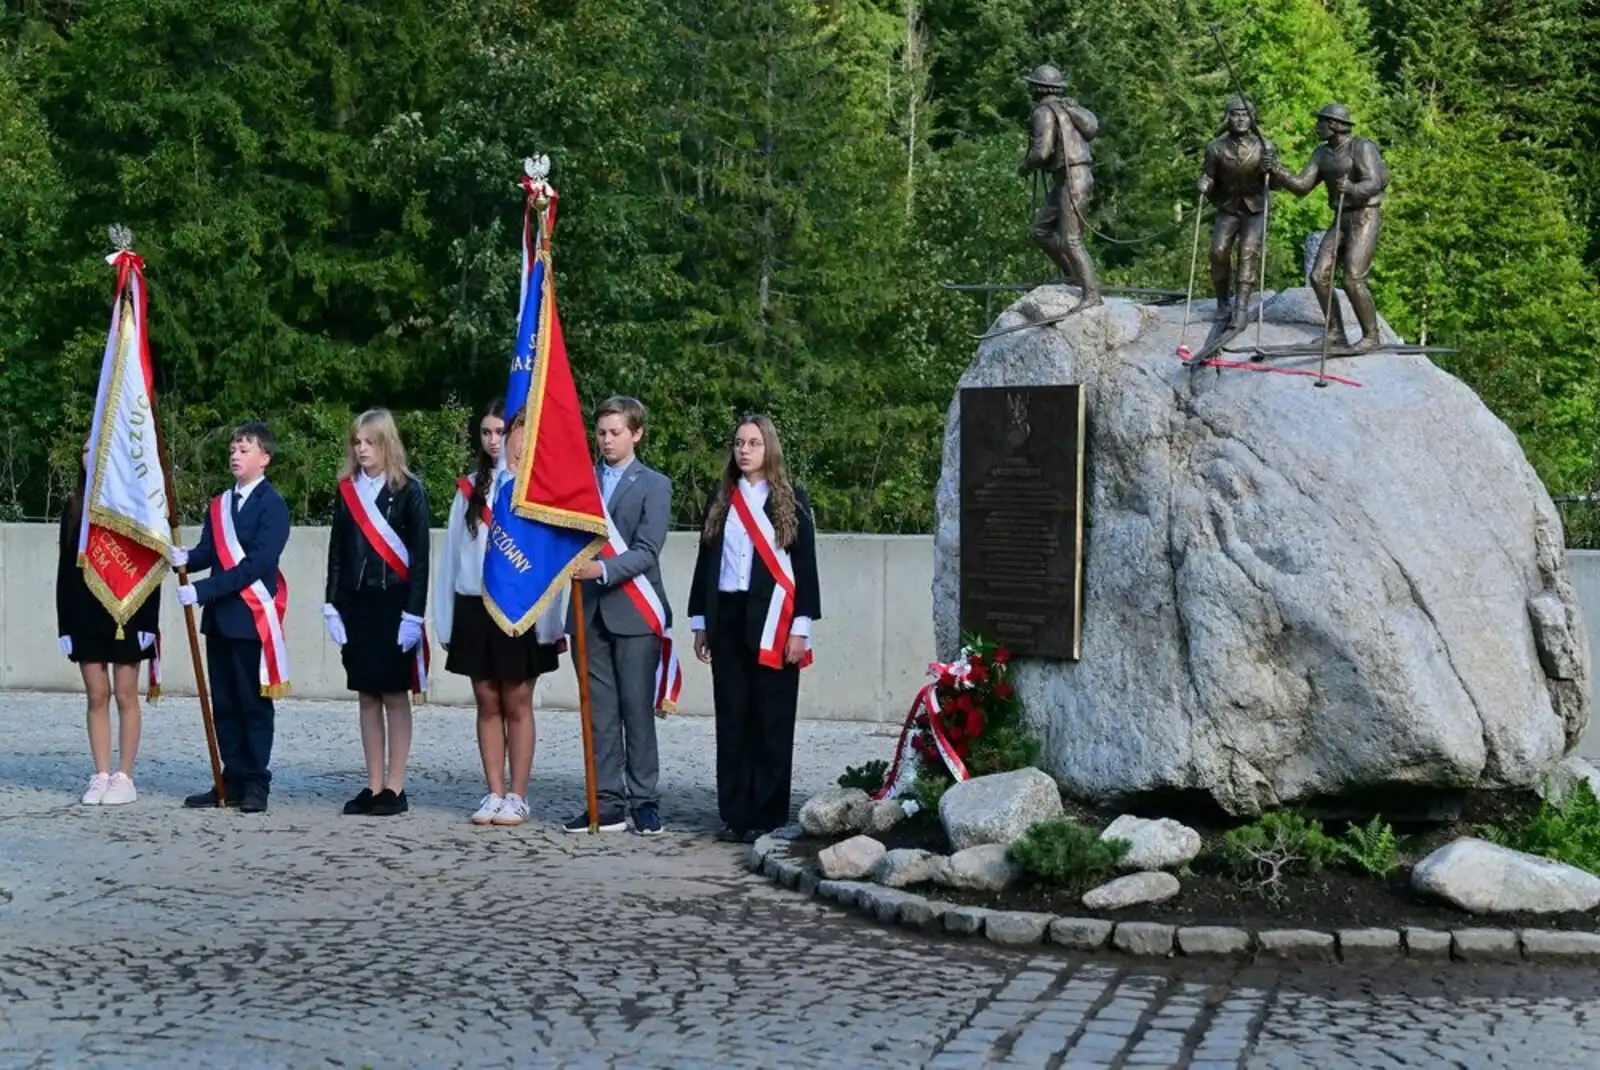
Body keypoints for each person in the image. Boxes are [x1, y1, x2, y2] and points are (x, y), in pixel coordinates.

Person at [688, 414, 821, 843]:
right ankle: (736, 813)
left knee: (772, 716)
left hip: (773, 618)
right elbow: (706, 561)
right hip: (726, 615)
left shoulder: (790, 499)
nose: (744, 450)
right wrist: (700, 621)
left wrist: (801, 629)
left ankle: (767, 813)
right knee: (732, 715)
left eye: (753, 443)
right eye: (739, 443)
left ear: (769, 449)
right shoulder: (721, 498)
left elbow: (805, 567)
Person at [437, 405, 564, 825]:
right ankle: (493, 791)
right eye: (487, 433)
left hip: (520, 606)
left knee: (517, 698)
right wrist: (445, 619)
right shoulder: (469, 490)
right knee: (486, 698)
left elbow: (549, 561)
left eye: (502, 432)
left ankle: (518, 794)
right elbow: (452, 558)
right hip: (475, 604)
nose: (495, 441)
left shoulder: (537, 489)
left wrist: (550, 623)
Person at [566, 396, 675, 836]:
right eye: (602, 432)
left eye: (616, 432)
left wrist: (604, 569)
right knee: (601, 713)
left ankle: (644, 800)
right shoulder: (578, 484)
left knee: (635, 710)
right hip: (588, 612)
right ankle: (606, 800)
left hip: (634, 608)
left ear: (636, 433)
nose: (607, 440)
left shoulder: (654, 484)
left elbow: (648, 550)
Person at [172, 421, 292, 814]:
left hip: (250, 618)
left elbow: (257, 564)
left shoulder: (273, 505)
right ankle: (231, 778)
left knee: (252, 704)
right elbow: (212, 551)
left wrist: (202, 590)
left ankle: (256, 781)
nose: (235, 456)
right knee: (224, 703)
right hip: (221, 620)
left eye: (245, 449)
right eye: (233, 449)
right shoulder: (220, 504)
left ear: (265, 458)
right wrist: (189, 557)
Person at [324, 409, 430, 818]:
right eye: (356, 442)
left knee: (393, 693)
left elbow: (420, 558)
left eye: (369, 442)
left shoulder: (409, 491)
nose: (361, 449)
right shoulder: (347, 491)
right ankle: (372, 783)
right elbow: (337, 551)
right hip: (357, 602)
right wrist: (332, 603)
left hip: (395, 602)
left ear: (387, 444)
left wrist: (414, 614)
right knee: (366, 693)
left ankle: (395, 785)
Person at [56, 442, 159, 806]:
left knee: (125, 695)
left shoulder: (133, 504)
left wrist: (150, 621)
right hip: (85, 614)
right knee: (96, 694)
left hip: (127, 613)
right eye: (84, 448)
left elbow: (150, 567)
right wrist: (63, 625)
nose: (89, 453)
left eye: (98, 445)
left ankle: (124, 776)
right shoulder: (74, 506)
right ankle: (100, 774)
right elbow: (64, 573)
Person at [1268, 103, 1390, 350]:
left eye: (1320, 123)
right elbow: (1302, 186)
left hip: (1365, 215)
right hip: (1341, 218)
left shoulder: (1361, 147)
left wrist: (1354, 189)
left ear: (1334, 125)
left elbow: (1375, 182)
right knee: (1318, 276)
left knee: (1353, 279)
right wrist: (1276, 171)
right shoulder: (1321, 154)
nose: (1317, 127)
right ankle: (1335, 333)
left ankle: (1371, 337)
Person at [1018, 63, 1101, 312]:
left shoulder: (1042, 112)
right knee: (1040, 230)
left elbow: (1041, 152)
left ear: (1038, 89)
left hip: (1072, 177)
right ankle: (1072, 274)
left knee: (1071, 239)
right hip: (1069, 177)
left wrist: (1025, 167)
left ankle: (1091, 293)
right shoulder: (1069, 108)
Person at [1197, 95, 1276, 331]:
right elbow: (1210, 176)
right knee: (1218, 251)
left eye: (1245, 115)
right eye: (1235, 114)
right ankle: (1223, 301)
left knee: (1248, 253)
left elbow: (1274, 182)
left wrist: (1269, 170)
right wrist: (1204, 183)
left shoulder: (1265, 146)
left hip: (1255, 209)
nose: (1240, 119)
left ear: (1252, 119)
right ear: (1227, 118)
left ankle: (1241, 308)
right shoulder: (1215, 148)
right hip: (1229, 208)